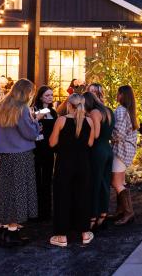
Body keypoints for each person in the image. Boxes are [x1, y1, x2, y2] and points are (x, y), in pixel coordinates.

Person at [0, 78, 42, 247]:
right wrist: (36, 123)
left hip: (4, 154)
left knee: (7, 190)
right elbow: (30, 134)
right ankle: (13, 232)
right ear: (27, 92)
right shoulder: (22, 109)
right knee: (20, 191)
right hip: (20, 155)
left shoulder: (1, 107)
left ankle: (3, 226)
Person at [48, 93, 95, 247]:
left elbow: (52, 143)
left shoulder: (61, 120)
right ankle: (85, 233)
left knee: (62, 197)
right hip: (83, 164)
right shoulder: (89, 121)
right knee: (82, 197)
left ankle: (61, 236)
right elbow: (90, 143)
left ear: (69, 104)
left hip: (64, 164)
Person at [83, 91, 115, 231]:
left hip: (97, 150)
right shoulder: (107, 110)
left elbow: (95, 134)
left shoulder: (94, 112)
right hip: (108, 149)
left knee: (95, 184)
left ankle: (93, 217)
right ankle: (103, 215)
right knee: (105, 183)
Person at [110, 85, 139, 226]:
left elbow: (119, 134)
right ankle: (121, 211)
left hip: (120, 150)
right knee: (120, 182)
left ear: (121, 95)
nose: (116, 95)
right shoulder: (129, 110)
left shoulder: (121, 111)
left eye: (118, 93)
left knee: (116, 182)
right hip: (127, 150)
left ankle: (128, 212)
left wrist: (107, 136)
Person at [32, 85, 58, 221]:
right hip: (36, 149)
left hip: (49, 149)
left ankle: (46, 212)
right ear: (41, 96)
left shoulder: (53, 112)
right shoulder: (34, 110)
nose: (50, 97)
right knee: (36, 179)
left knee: (47, 179)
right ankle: (34, 211)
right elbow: (31, 124)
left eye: (51, 95)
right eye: (47, 95)